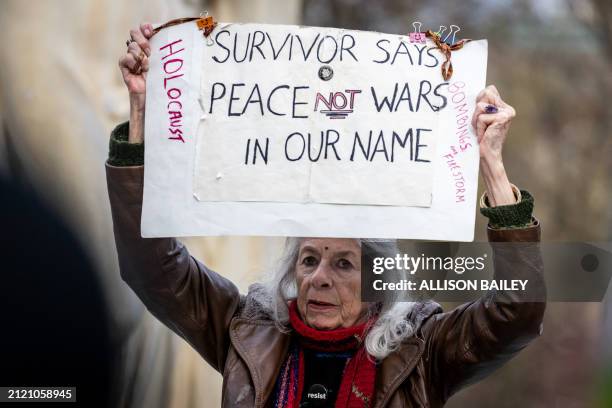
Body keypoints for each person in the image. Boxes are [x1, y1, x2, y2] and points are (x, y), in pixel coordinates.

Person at [106, 23, 546, 408]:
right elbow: (153, 268)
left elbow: (517, 311)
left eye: (343, 263)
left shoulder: (421, 350)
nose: (319, 278)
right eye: (310, 259)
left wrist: (492, 167)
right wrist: (143, 114)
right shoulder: (245, 329)